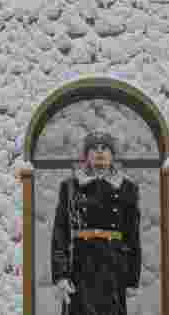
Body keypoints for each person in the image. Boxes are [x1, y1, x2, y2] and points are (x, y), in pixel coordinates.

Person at [51, 131, 141, 315]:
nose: (100, 153)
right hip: (80, 266)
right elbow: (60, 232)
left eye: (105, 148)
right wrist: (61, 275)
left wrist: (132, 279)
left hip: (113, 267)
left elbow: (133, 236)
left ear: (112, 155)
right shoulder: (70, 186)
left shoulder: (127, 188)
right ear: (87, 155)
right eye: (94, 148)